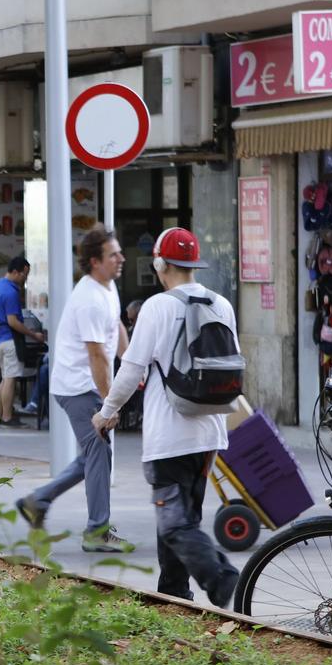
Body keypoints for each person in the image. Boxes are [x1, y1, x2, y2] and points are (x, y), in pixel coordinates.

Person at [93, 228, 239, 608]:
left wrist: (107, 412)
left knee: (174, 523)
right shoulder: (221, 304)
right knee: (181, 517)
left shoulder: (158, 307)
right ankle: (173, 595)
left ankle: (220, 578)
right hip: (210, 433)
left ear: (160, 264)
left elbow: (131, 369)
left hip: (169, 435)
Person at [17, 226, 134, 553]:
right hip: (79, 387)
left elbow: (117, 326)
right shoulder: (89, 300)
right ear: (95, 262)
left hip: (83, 384)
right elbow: (97, 355)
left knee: (92, 456)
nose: (121, 258)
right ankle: (97, 531)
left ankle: (37, 500)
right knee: (98, 453)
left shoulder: (106, 287)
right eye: (114, 255)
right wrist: (110, 405)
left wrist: (134, 362)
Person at [0, 256, 44, 426]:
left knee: (5, 377)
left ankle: (1, 415)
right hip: (10, 340)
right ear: (16, 272)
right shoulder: (11, 292)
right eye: (25, 275)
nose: (25, 279)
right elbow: (13, 321)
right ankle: (7, 417)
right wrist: (34, 335)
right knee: (10, 378)